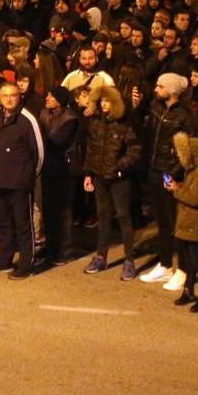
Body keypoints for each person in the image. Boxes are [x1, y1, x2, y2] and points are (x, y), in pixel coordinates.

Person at [138, 72, 197, 289]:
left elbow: (186, 149)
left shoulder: (185, 116)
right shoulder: (156, 108)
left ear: (172, 90)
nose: (156, 90)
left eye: (160, 86)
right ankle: (165, 264)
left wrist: (172, 173)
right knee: (161, 222)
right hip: (154, 169)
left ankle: (183, 269)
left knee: (175, 223)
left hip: (168, 173)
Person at [0, 82, 43, 279]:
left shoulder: (27, 119)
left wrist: (29, 175)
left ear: (19, 96)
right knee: (2, 222)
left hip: (20, 182)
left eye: (13, 95)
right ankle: (4, 259)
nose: (8, 99)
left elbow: (39, 152)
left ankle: (26, 263)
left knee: (23, 224)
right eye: (5, 95)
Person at [82, 83, 142, 279]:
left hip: (118, 179)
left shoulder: (124, 124)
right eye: (102, 101)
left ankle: (129, 260)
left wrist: (119, 167)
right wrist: (89, 174)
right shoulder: (96, 122)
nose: (104, 104)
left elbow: (135, 151)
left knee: (124, 217)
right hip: (100, 177)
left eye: (108, 101)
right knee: (103, 216)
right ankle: (101, 256)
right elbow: (91, 149)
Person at [168, 130, 198, 311]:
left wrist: (176, 190)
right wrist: (178, 186)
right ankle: (189, 290)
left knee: (197, 260)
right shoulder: (193, 170)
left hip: (195, 224)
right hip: (188, 222)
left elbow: (196, 198)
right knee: (188, 259)